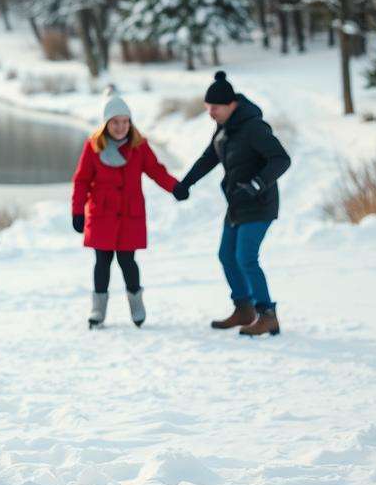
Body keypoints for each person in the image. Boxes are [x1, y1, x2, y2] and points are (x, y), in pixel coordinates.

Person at [173, 71, 291, 336]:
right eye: (207, 107)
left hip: (259, 203)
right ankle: (244, 309)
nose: (210, 112)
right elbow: (208, 158)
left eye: (214, 107)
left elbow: (281, 159)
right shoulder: (226, 128)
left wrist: (258, 184)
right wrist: (185, 183)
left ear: (231, 105)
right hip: (237, 203)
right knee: (227, 255)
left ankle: (267, 314)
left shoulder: (254, 127)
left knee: (245, 258)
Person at [71, 94, 179, 328]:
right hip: (102, 215)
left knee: (128, 262)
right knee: (102, 262)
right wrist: (77, 211)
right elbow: (81, 181)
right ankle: (97, 310)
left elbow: (156, 171)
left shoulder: (139, 146)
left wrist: (175, 187)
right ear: (106, 124)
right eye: (115, 122)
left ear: (130, 123)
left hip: (130, 216)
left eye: (125, 121)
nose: (120, 127)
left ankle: (136, 304)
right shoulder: (93, 146)